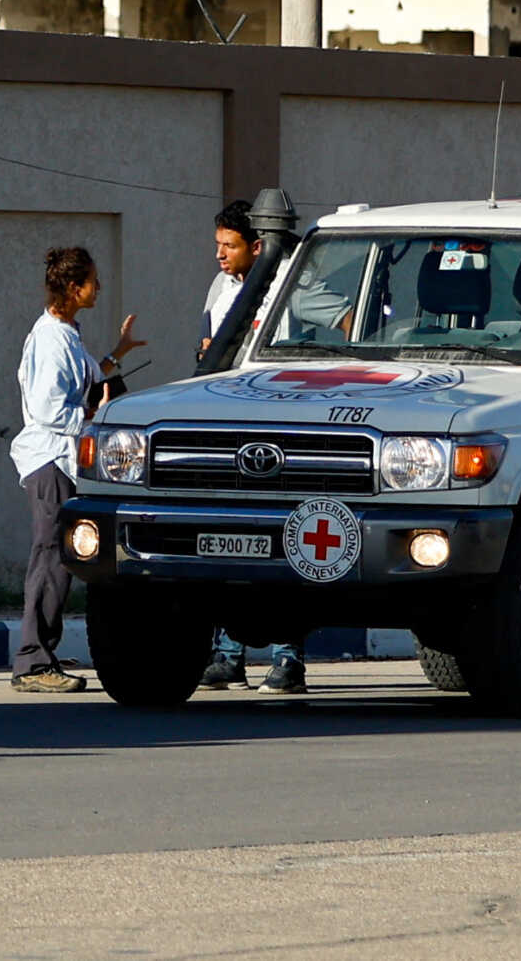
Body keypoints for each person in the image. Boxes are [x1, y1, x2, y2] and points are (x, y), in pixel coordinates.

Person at [10, 245, 139, 695]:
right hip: (50, 459)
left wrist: (116, 357)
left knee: (60, 556)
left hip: (63, 459)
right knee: (50, 556)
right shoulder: (50, 339)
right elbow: (48, 409)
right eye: (92, 280)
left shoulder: (67, 334)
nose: (98, 287)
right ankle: (32, 661)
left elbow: (82, 380)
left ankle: (41, 653)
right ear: (72, 287)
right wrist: (91, 418)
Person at [194, 201, 308, 696]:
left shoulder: (289, 286)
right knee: (225, 541)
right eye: (217, 244)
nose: (219, 254)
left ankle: (288, 660)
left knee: (283, 544)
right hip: (227, 427)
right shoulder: (222, 288)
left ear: (258, 246)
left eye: (230, 245)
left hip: (279, 429)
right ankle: (228, 656)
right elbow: (207, 343)